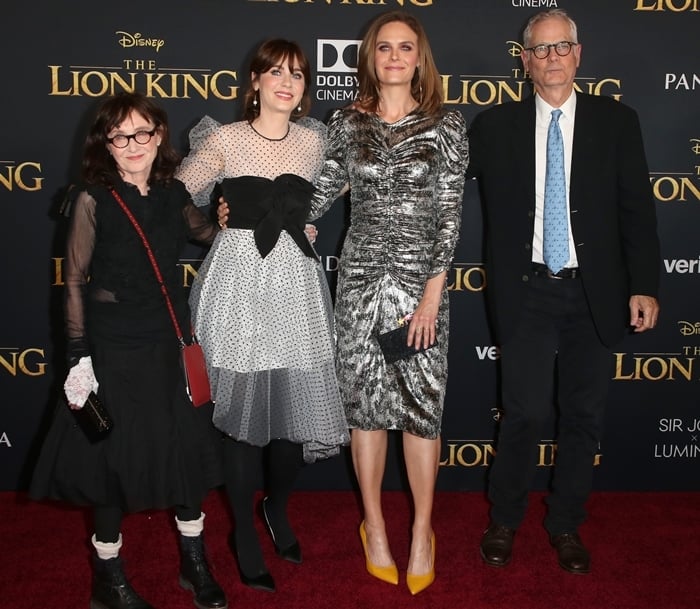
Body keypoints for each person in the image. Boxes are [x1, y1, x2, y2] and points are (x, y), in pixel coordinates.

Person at [467, 9, 660, 574]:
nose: (551, 58)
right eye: (540, 49)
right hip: (526, 291)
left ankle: (566, 523)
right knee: (522, 413)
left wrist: (645, 285)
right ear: (524, 61)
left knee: (582, 417)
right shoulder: (494, 125)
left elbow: (638, 213)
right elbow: (439, 180)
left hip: (595, 293)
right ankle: (505, 518)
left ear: (579, 54)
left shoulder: (618, 122)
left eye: (561, 47)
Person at [29, 92, 227, 609]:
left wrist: (229, 218)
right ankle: (108, 576)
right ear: (106, 144)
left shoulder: (173, 192)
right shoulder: (93, 198)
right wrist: (77, 354)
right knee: (111, 460)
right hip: (114, 345)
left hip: (170, 338)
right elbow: (72, 281)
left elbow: (205, 233)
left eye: (143, 132)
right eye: (120, 136)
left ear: (159, 135)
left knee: (185, 448)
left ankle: (194, 561)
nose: (133, 144)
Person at [298, 11, 467, 595]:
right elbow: (316, 195)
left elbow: (449, 218)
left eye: (406, 47)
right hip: (362, 284)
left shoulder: (447, 125)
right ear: (369, 57)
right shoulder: (345, 123)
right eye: (384, 48)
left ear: (420, 58)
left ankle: (422, 531)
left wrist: (430, 299)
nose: (395, 56)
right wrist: (249, 206)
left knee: (423, 411)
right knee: (365, 407)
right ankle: (373, 525)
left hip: (424, 287)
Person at [176, 39, 350, 593]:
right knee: (240, 420)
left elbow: (336, 190)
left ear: (305, 88)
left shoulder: (315, 141)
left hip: (295, 286)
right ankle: (243, 540)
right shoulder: (223, 139)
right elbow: (175, 195)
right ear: (254, 80)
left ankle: (275, 508)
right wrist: (213, 220)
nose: (286, 81)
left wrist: (307, 225)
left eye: (297, 74)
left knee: (291, 425)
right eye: (275, 71)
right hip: (236, 285)